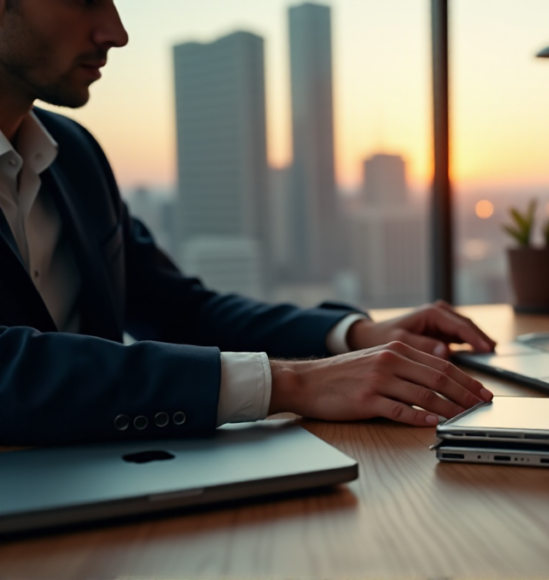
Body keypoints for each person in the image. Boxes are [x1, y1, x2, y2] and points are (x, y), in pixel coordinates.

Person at [0, 0, 496, 446]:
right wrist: (292, 383)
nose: (117, 31)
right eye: (84, 0)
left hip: (102, 479)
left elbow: (179, 309)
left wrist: (348, 336)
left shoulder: (75, 156)